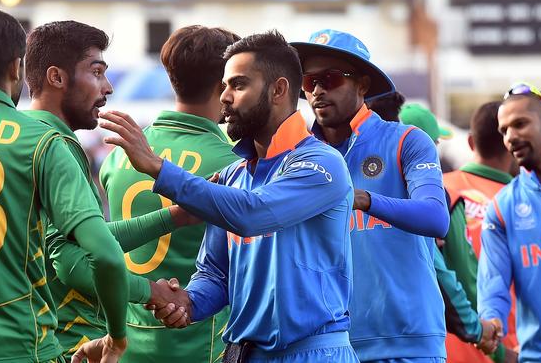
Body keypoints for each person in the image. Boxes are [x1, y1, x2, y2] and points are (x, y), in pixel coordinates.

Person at [99, 30, 359, 363]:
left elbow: (253, 214)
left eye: (237, 85)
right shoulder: (235, 174)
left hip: (311, 353)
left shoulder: (322, 164)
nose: (224, 97)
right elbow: (215, 273)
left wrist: (158, 167)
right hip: (243, 354)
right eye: (223, 86)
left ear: (278, 89)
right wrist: (187, 304)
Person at [0, 8, 128, 362]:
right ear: (16, 68)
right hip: (20, 347)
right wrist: (117, 335)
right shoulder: (42, 141)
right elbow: (105, 255)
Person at [23, 20, 200, 360]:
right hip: (62, 342)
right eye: (97, 72)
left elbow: (86, 237)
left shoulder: (29, 137)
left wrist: (174, 217)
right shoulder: (51, 144)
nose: (107, 87)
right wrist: (152, 293)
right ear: (56, 77)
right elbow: (72, 262)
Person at [291, 29, 449, 362]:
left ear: (362, 85)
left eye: (330, 79)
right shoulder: (297, 156)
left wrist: (363, 199)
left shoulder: (408, 140)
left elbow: (436, 217)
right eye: (309, 82)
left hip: (410, 343)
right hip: (327, 346)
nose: (318, 91)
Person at [97, 25, 240, 363]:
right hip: (200, 341)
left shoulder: (120, 154)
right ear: (225, 84)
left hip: (126, 339)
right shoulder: (234, 164)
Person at [478, 82, 541, 362]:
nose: (510, 137)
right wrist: (492, 321)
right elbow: (493, 283)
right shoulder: (501, 208)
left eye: (520, 124)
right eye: (504, 130)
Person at [400, 103, 508, 362]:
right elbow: (461, 275)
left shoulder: (362, 196)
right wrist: (492, 343)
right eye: (434, 144)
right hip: (444, 346)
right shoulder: (438, 200)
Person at [442, 102, 519, 363]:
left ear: (471, 142)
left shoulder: (437, 190)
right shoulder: (528, 203)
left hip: (441, 351)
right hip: (511, 351)